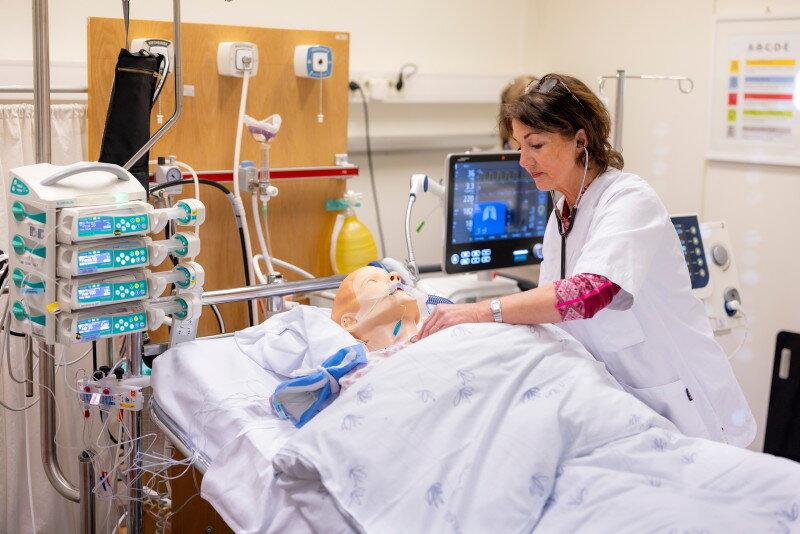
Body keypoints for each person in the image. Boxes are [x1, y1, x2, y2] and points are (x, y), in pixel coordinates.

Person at [417, 73, 755, 447]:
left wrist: (480, 312)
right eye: (518, 146)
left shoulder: (628, 199)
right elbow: (556, 320)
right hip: (620, 406)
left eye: (536, 145)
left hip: (685, 404)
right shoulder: (562, 214)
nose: (523, 161)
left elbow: (588, 293)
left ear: (581, 139)